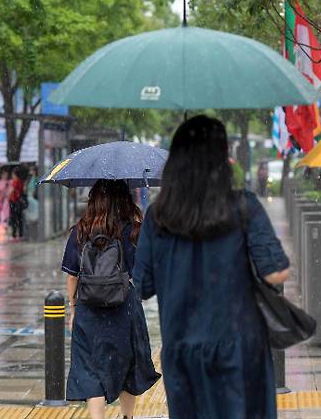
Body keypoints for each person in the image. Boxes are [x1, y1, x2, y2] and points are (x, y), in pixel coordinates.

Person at [133, 115, 290, 419]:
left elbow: (142, 285)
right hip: (239, 350)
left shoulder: (157, 216)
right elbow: (276, 272)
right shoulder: (244, 207)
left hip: (183, 354)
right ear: (222, 160)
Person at [61, 179, 160, 419]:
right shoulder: (134, 229)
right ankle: (127, 417)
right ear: (126, 199)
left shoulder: (81, 230)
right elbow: (143, 274)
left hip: (87, 308)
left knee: (89, 369)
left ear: (94, 199)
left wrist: (73, 309)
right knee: (127, 364)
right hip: (124, 308)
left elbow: (72, 276)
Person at [8, 168, 25, 239]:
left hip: (14, 202)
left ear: (15, 174)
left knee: (14, 219)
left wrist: (7, 195)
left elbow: (11, 190)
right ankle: (20, 234)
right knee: (19, 218)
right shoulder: (21, 182)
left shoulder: (15, 181)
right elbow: (23, 190)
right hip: (19, 202)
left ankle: (14, 234)